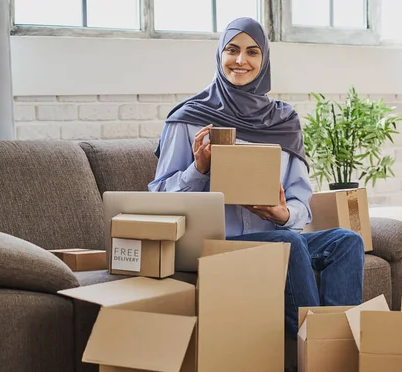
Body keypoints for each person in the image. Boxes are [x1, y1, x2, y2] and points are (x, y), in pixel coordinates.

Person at [149, 17, 364, 350]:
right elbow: (159, 197)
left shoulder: (284, 120)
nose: (241, 60)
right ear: (220, 55)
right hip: (220, 243)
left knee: (347, 240)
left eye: (252, 52)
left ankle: (339, 350)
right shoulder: (190, 118)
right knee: (286, 244)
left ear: (263, 60)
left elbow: (301, 203)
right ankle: (314, 356)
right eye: (232, 50)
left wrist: (282, 213)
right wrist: (199, 169)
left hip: (275, 235)